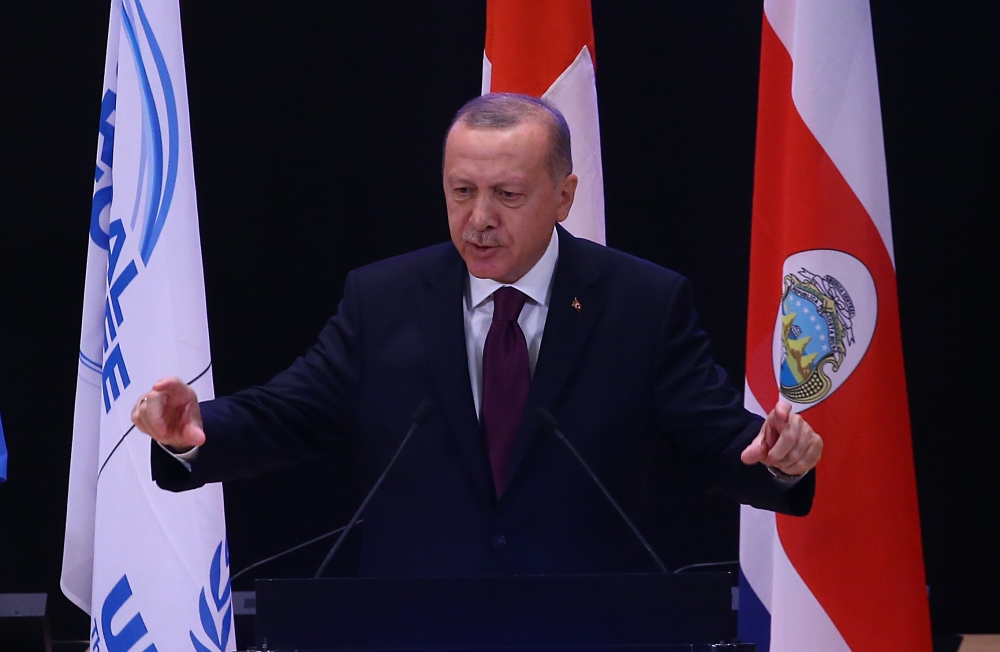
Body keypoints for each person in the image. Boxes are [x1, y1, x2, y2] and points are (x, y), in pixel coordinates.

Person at [132, 93, 822, 576]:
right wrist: (196, 436)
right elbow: (291, 412)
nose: (479, 218)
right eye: (461, 192)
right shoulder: (384, 299)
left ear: (564, 195)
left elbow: (712, 438)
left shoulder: (642, 301)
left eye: (507, 194)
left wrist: (777, 460)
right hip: (417, 622)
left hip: (594, 621)